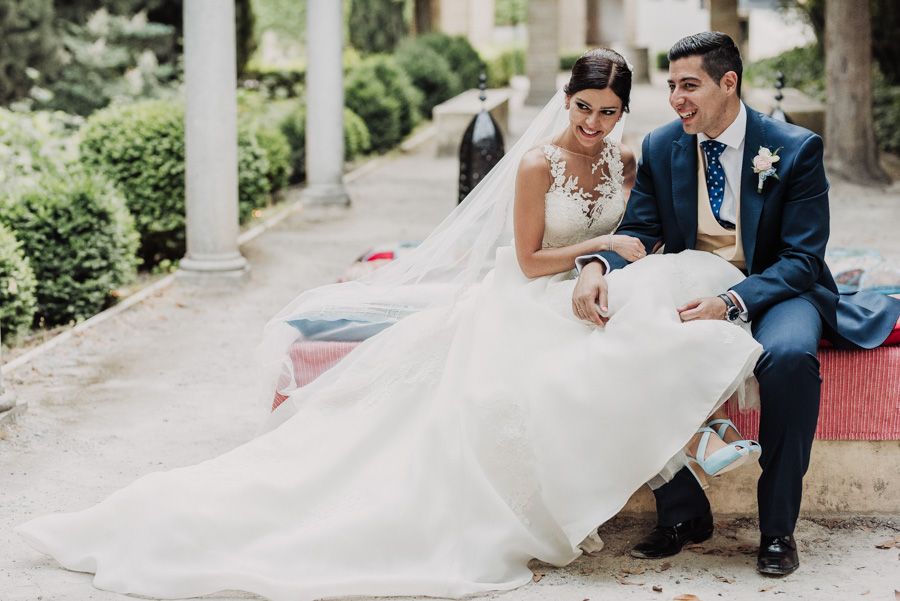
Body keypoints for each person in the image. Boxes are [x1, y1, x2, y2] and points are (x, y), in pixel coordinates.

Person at [16, 49, 763, 601]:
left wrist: (614, 266)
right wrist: (599, 248)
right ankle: (685, 478)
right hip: (526, 294)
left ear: (622, 114)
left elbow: (644, 231)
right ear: (564, 102)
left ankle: (684, 480)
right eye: (584, 109)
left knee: (656, 313)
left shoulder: (624, 159)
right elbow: (531, 260)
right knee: (557, 376)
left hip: (586, 289)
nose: (595, 124)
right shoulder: (538, 163)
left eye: (608, 112)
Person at [572, 32, 900, 577]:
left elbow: (800, 258)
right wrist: (596, 268)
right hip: (688, 283)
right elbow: (638, 231)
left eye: (689, 85)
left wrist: (730, 301)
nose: (676, 98)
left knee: (790, 359)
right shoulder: (660, 147)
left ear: (729, 83)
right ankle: (682, 511)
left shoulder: (794, 149)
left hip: (776, 290)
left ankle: (777, 529)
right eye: (672, 85)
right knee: (618, 341)